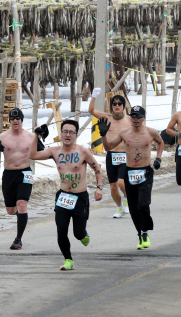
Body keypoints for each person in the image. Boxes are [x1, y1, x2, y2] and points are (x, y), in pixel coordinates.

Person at [29, 120, 103, 270]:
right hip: (63, 197)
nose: (67, 135)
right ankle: (68, 260)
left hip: (80, 197)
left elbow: (97, 168)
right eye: (65, 132)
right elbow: (33, 155)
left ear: (76, 135)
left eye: (71, 132)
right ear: (61, 134)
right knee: (61, 230)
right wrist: (35, 135)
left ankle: (83, 234)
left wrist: (99, 187)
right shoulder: (54, 151)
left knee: (78, 233)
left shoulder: (83, 151)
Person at [99, 106, 164, 250]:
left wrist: (158, 158)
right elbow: (109, 147)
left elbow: (161, 142)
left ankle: (145, 231)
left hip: (145, 172)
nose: (135, 119)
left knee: (143, 204)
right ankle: (140, 234)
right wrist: (103, 135)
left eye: (138, 116)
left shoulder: (151, 132)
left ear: (143, 118)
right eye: (133, 116)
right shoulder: (124, 133)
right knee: (134, 207)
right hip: (129, 172)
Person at [0, 108, 39, 250]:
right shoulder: (2, 137)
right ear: (10, 121)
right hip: (9, 174)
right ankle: (21, 216)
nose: (15, 121)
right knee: (11, 210)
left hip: (25, 173)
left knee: (22, 204)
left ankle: (18, 239)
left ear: (22, 120)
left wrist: (41, 140)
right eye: (12, 119)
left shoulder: (30, 137)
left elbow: (41, 153)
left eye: (18, 118)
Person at [88, 88, 131, 218]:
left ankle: (126, 199)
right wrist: (94, 96)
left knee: (121, 183)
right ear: (111, 106)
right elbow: (91, 111)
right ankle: (120, 208)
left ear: (123, 106)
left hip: (125, 155)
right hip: (111, 155)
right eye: (114, 104)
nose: (117, 106)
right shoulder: (106, 117)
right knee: (113, 187)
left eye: (119, 104)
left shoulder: (129, 119)